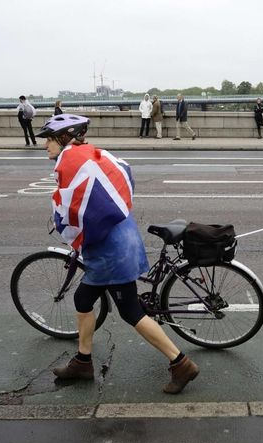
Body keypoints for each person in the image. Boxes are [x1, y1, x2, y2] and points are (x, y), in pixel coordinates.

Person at [36, 114, 200, 394]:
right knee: (83, 298)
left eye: (49, 139)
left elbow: (74, 205)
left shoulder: (72, 160)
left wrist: (64, 222)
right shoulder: (95, 154)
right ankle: (83, 361)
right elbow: (118, 182)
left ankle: (181, 363)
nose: (45, 146)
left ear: (64, 138)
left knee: (130, 311)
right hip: (120, 236)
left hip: (112, 250)